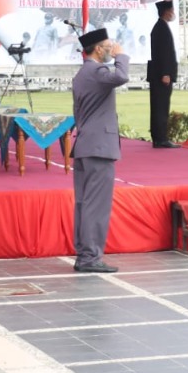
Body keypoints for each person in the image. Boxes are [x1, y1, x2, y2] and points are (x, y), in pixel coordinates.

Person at [71, 28, 128, 273]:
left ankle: (85, 253)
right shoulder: (97, 71)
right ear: (97, 49)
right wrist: (121, 56)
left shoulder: (82, 73)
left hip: (86, 144)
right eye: (107, 46)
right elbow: (122, 77)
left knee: (85, 203)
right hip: (98, 147)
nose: (110, 49)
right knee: (96, 205)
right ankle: (90, 257)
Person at [148, 0, 178, 147]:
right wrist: (166, 73)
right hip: (161, 75)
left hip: (160, 74)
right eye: (172, 10)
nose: (173, 13)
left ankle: (159, 136)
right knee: (160, 107)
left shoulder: (162, 27)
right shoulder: (161, 28)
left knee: (160, 106)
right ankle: (160, 138)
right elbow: (163, 54)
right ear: (167, 11)